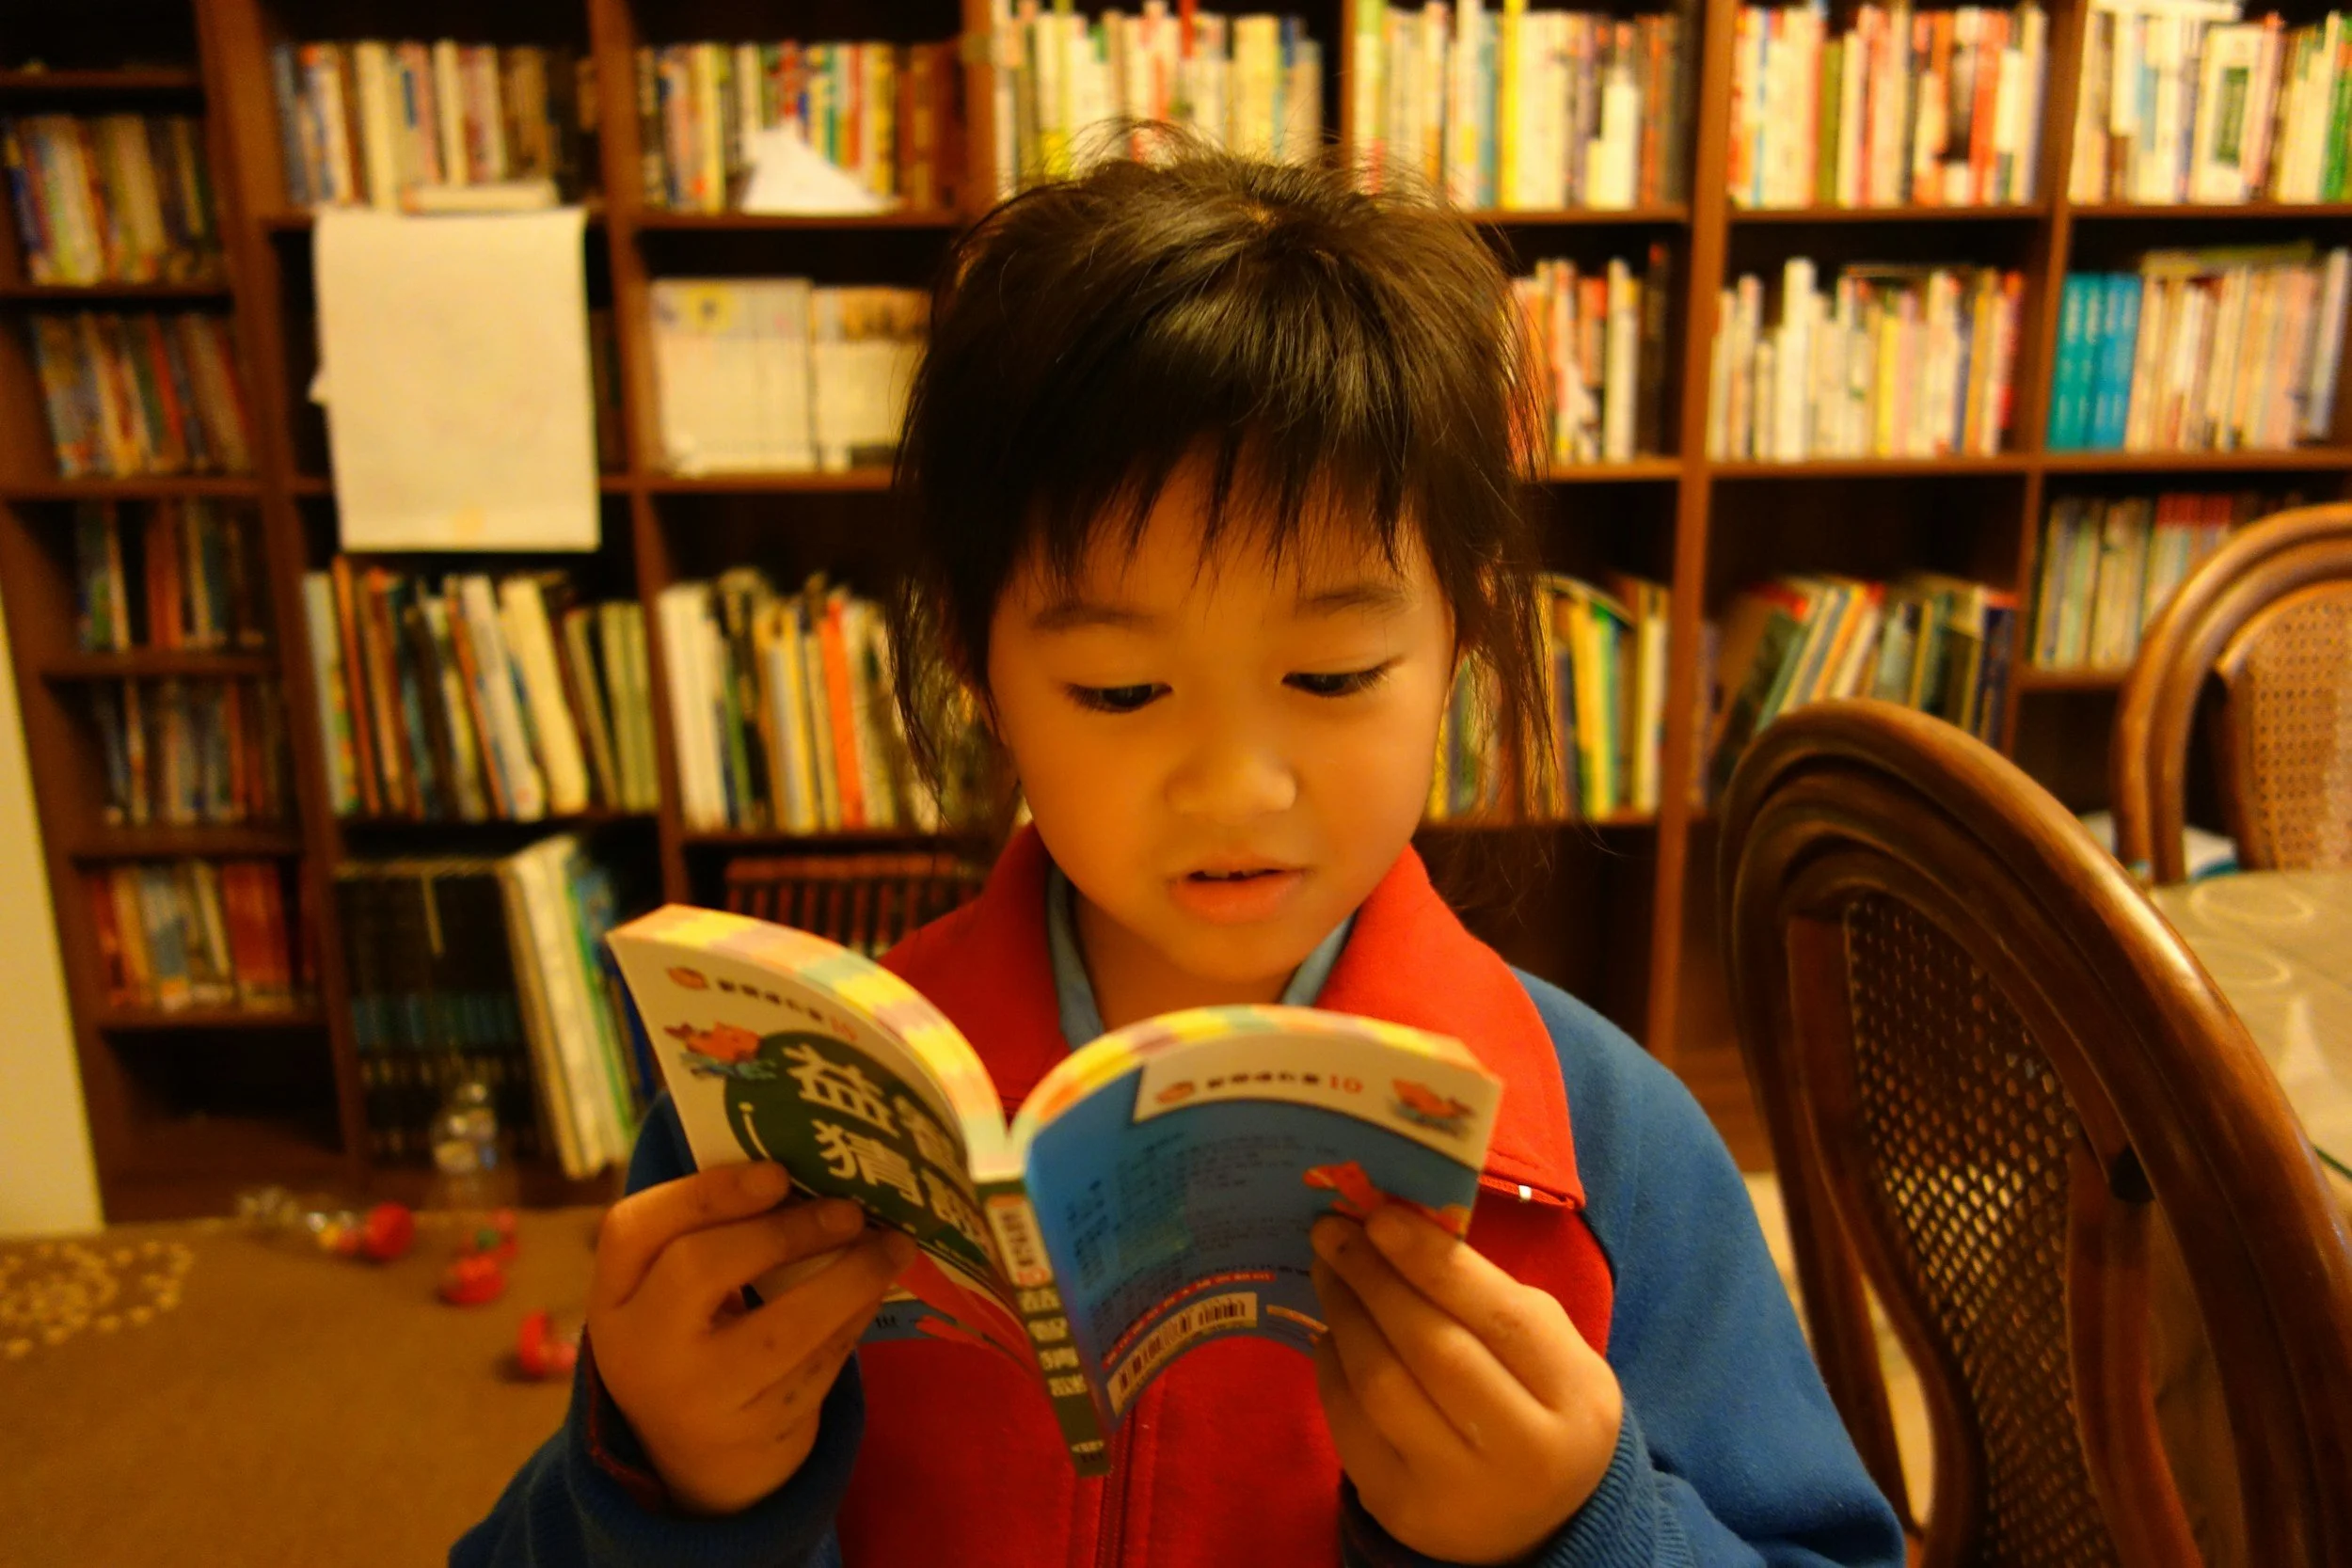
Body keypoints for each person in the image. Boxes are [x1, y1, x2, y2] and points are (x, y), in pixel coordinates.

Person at [456, 142, 1903, 1568]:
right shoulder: (771, 1124)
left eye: (1333, 676)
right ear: (978, 668)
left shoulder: (1611, 1149)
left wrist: (1582, 1531)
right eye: (1120, 690)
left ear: (1459, 636)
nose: (1236, 787)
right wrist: (669, 1484)